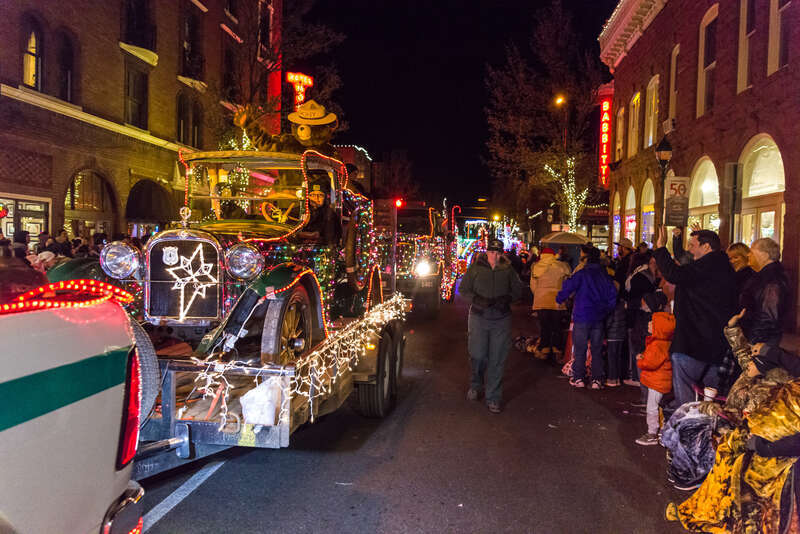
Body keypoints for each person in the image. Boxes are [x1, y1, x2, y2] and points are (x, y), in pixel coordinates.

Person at [653, 226, 737, 407]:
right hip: (717, 343)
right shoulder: (724, 267)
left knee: (688, 400)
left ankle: (689, 428)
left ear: (706, 247)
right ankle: (706, 429)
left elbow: (674, 274)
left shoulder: (707, 266)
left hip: (694, 341)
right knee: (710, 400)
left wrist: (661, 248)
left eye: (692, 245)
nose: (690, 250)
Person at [458, 237, 523, 414]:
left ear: (502, 254)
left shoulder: (508, 270)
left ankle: (493, 397)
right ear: (487, 252)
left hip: (501, 319)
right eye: (492, 252)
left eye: (498, 252)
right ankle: (476, 384)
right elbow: (463, 289)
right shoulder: (476, 268)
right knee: (478, 355)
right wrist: (476, 300)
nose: (494, 255)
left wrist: (508, 299)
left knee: (497, 358)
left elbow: (518, 291)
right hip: (479, 317)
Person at [556, 245, 617, 389]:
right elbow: (612, 296)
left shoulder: (582, 274)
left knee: (580, 348)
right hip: (598, 317)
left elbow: (568, 287)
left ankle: (579, 378)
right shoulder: (605, 276)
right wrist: (605, 311)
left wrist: (560, 299)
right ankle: (596, 379)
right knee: (596, 350)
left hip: (582, 315)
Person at [634, 291, 674, 446]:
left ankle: (652, 433)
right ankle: (663, 434)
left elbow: (650, 363)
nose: (649, 324)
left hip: (657, 382)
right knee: (662, 407)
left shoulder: (657, 345)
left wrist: (640, 360)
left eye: (652, 323)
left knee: (652, 407)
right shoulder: (664, 342)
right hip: (661, 381)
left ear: (659, 328)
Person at [739, 237, 789, 345]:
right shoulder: (763, 276)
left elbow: (768, 316)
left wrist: (753, 342)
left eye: (751, 252)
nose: (748, 255)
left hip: (760, 341)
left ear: (765, 255)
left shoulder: (772, 280)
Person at [530, 247, 571, 361]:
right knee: (557, 327)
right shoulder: (562, 266)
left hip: (541, 300)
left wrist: (538, 294)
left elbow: (533, 286)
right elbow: (567, 283)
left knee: (545, 327)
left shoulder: (536, 266)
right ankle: (557, 350)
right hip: (557, 301)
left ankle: (544, 349)